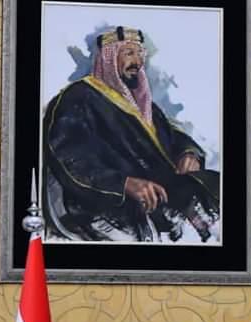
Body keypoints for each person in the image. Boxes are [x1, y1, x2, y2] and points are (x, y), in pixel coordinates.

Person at [42, 25, 220, 243]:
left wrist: (188, 153)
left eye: (139, 54)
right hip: (104, 204)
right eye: (128, 53)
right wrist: (124, 184)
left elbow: (169, 135)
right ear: (108, 58)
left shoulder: (141, 104)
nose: (137, 61)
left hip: (158, 195)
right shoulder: (78, 98)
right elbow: (71, 159)